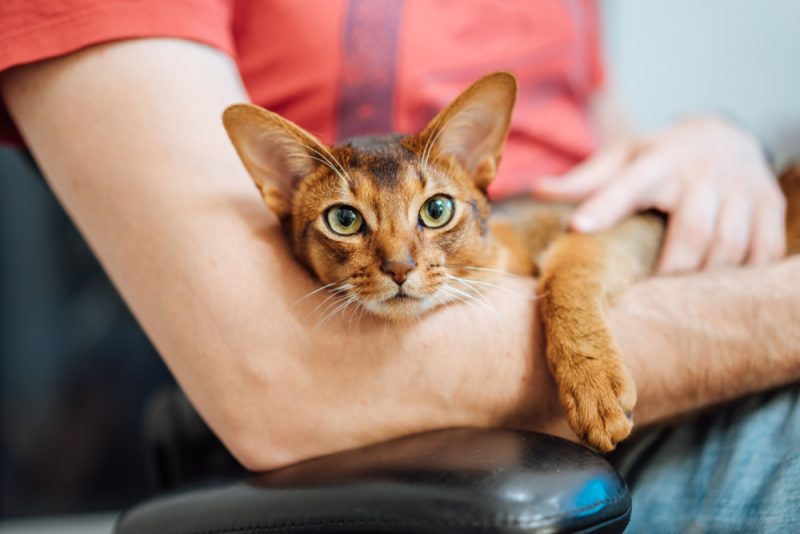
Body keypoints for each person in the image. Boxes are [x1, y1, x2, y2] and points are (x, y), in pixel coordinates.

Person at [1, 1, 797, 531]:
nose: (398, 260)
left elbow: (594, 192)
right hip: (502, 455)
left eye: (427, 218)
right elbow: (272, 382)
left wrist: (721, 143)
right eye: (349, 222)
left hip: (663, 290)